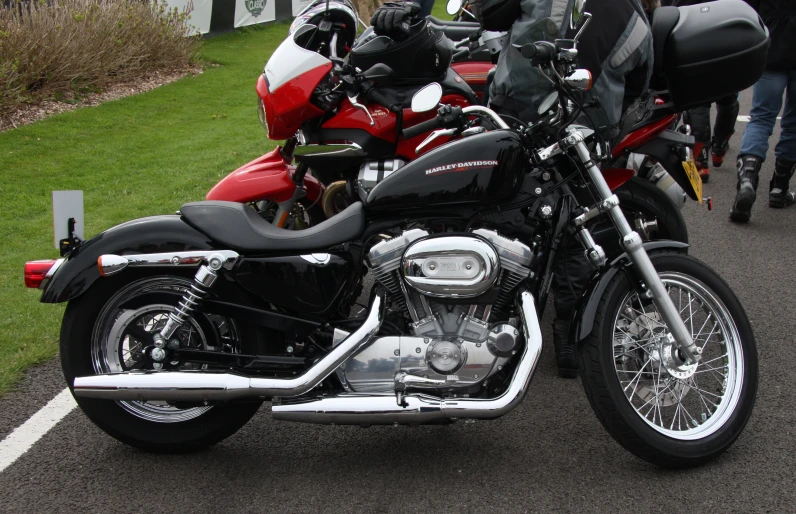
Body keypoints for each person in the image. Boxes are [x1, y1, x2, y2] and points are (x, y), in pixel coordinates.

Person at [730, 0, 796, 222]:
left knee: (760, 119)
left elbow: (746, 10)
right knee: (794, 123)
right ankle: (779, 187)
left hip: (773, 48)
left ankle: (747, 180)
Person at [662, 0, 739, 182]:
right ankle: (719, 146)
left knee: (699, 102)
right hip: (722, 36)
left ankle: (701, 157)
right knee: (727, 97)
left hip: (690, 37)